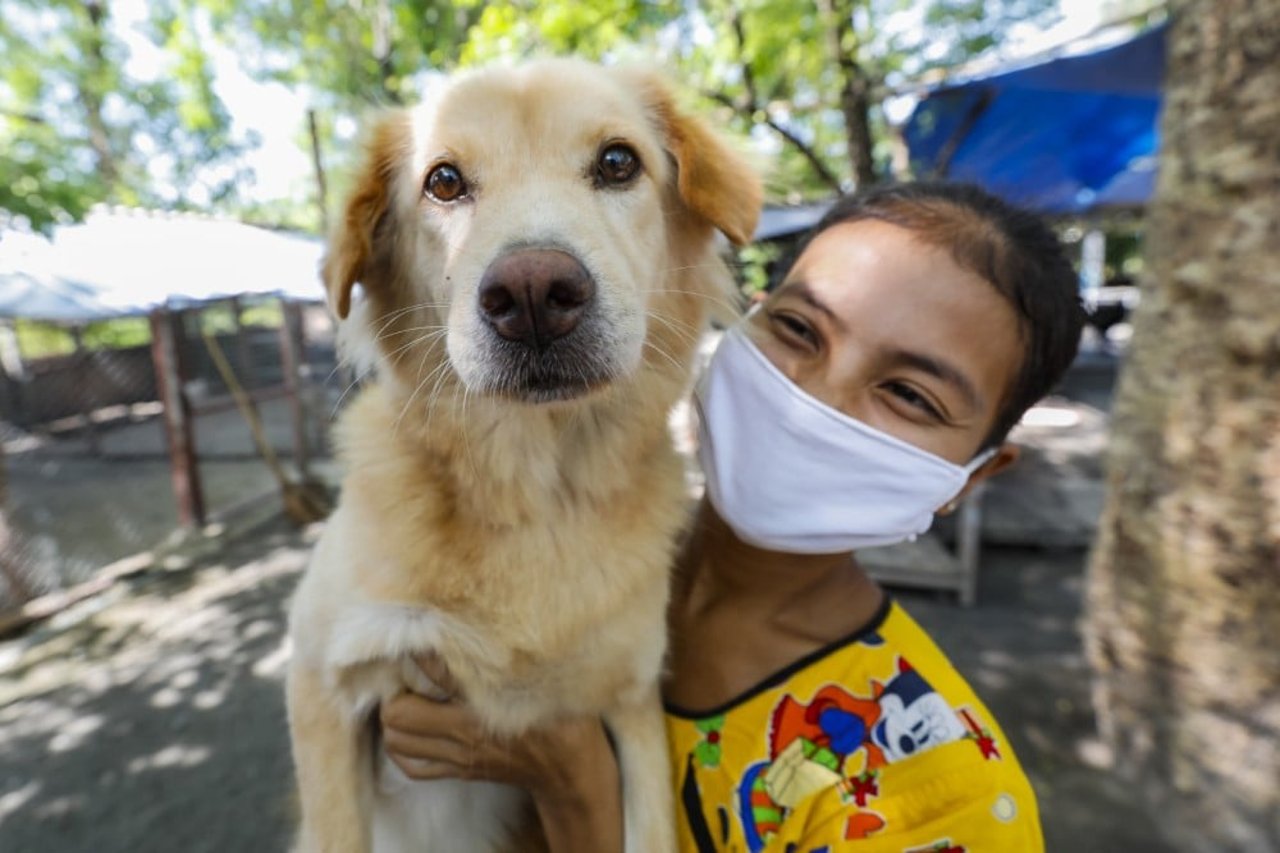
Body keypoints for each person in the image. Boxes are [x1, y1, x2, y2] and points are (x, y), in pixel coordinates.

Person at [377, 181, 1085, 851]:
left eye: (908, 394)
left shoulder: (942, 799)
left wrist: (572, 783)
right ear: (746, 312)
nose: (814, 400)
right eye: (800, 329)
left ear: (973, 476)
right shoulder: (558, 558)